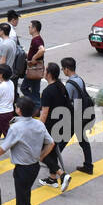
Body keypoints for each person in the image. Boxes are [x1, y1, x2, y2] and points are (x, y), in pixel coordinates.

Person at [0, 95, 55, 205]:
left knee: (24, 202)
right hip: (33, 167)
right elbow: (51, 143)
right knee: (23, 198)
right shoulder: (39, 125)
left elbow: (3, 148)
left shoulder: (16, 128)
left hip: (23, 169)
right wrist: (41, 156)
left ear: (19, 111)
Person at [36, 63, 72, 191]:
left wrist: (38, 129)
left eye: (46, 70)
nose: (44, 72)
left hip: (51, 127)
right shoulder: (61, 86)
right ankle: (52, 179)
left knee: (42, 154)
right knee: (51, 152)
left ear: (49, 74)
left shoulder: (47, 91)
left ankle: (62, 174)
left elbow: (44, 113)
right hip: (63, 124)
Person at [60, 57, 94, 174]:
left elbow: (66, 101)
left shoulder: (70, 84)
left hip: (76, 116)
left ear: (67, 69)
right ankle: (88, 165)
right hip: (83, 113)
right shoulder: (80, 79)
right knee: (83, 141)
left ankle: (52, 162)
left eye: (62, 69)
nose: (63, 71)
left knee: (63, 139)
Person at [22, 19, 45, 101]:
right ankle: (36, 105)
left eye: (30, 27)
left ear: (34, 29)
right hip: (36, 69)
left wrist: (33, 58)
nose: (29, 28)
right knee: (35, 90)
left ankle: (36, 102)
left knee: (24, 88)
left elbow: (42, 50)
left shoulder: (36, 39)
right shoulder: (36, 39)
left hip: (34, 68)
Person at [0, 64, 16, 138]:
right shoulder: (11, 83)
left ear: (1, 74)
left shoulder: (1, 86)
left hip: (3, 113)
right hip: (9, 111)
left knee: (7, 134)